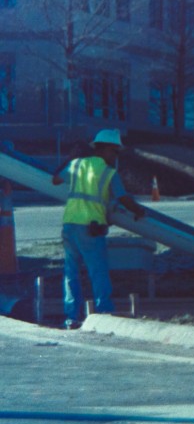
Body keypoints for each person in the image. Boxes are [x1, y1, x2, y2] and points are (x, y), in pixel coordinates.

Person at [52, 129, 145, 329]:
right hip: (90, 227)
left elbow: (55, 179)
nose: (116, 156)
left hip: (69, 225)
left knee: (71, 273)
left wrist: (69, 158)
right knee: (98, 272)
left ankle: (71, 317)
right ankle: (104, 313)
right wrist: (139, 211)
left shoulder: (76, 164)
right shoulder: (108, 172)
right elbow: (123, 198)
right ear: (103, 149)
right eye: (115, 151)